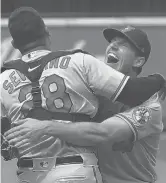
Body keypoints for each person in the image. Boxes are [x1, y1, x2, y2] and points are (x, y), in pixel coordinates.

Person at [1, 7, 165, 183]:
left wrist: (44, 126)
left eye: (123, 44)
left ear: (138, 61)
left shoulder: (149, 108)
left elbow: (102, 133)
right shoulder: (90, 95)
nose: (113, 45)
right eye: (112, 41)